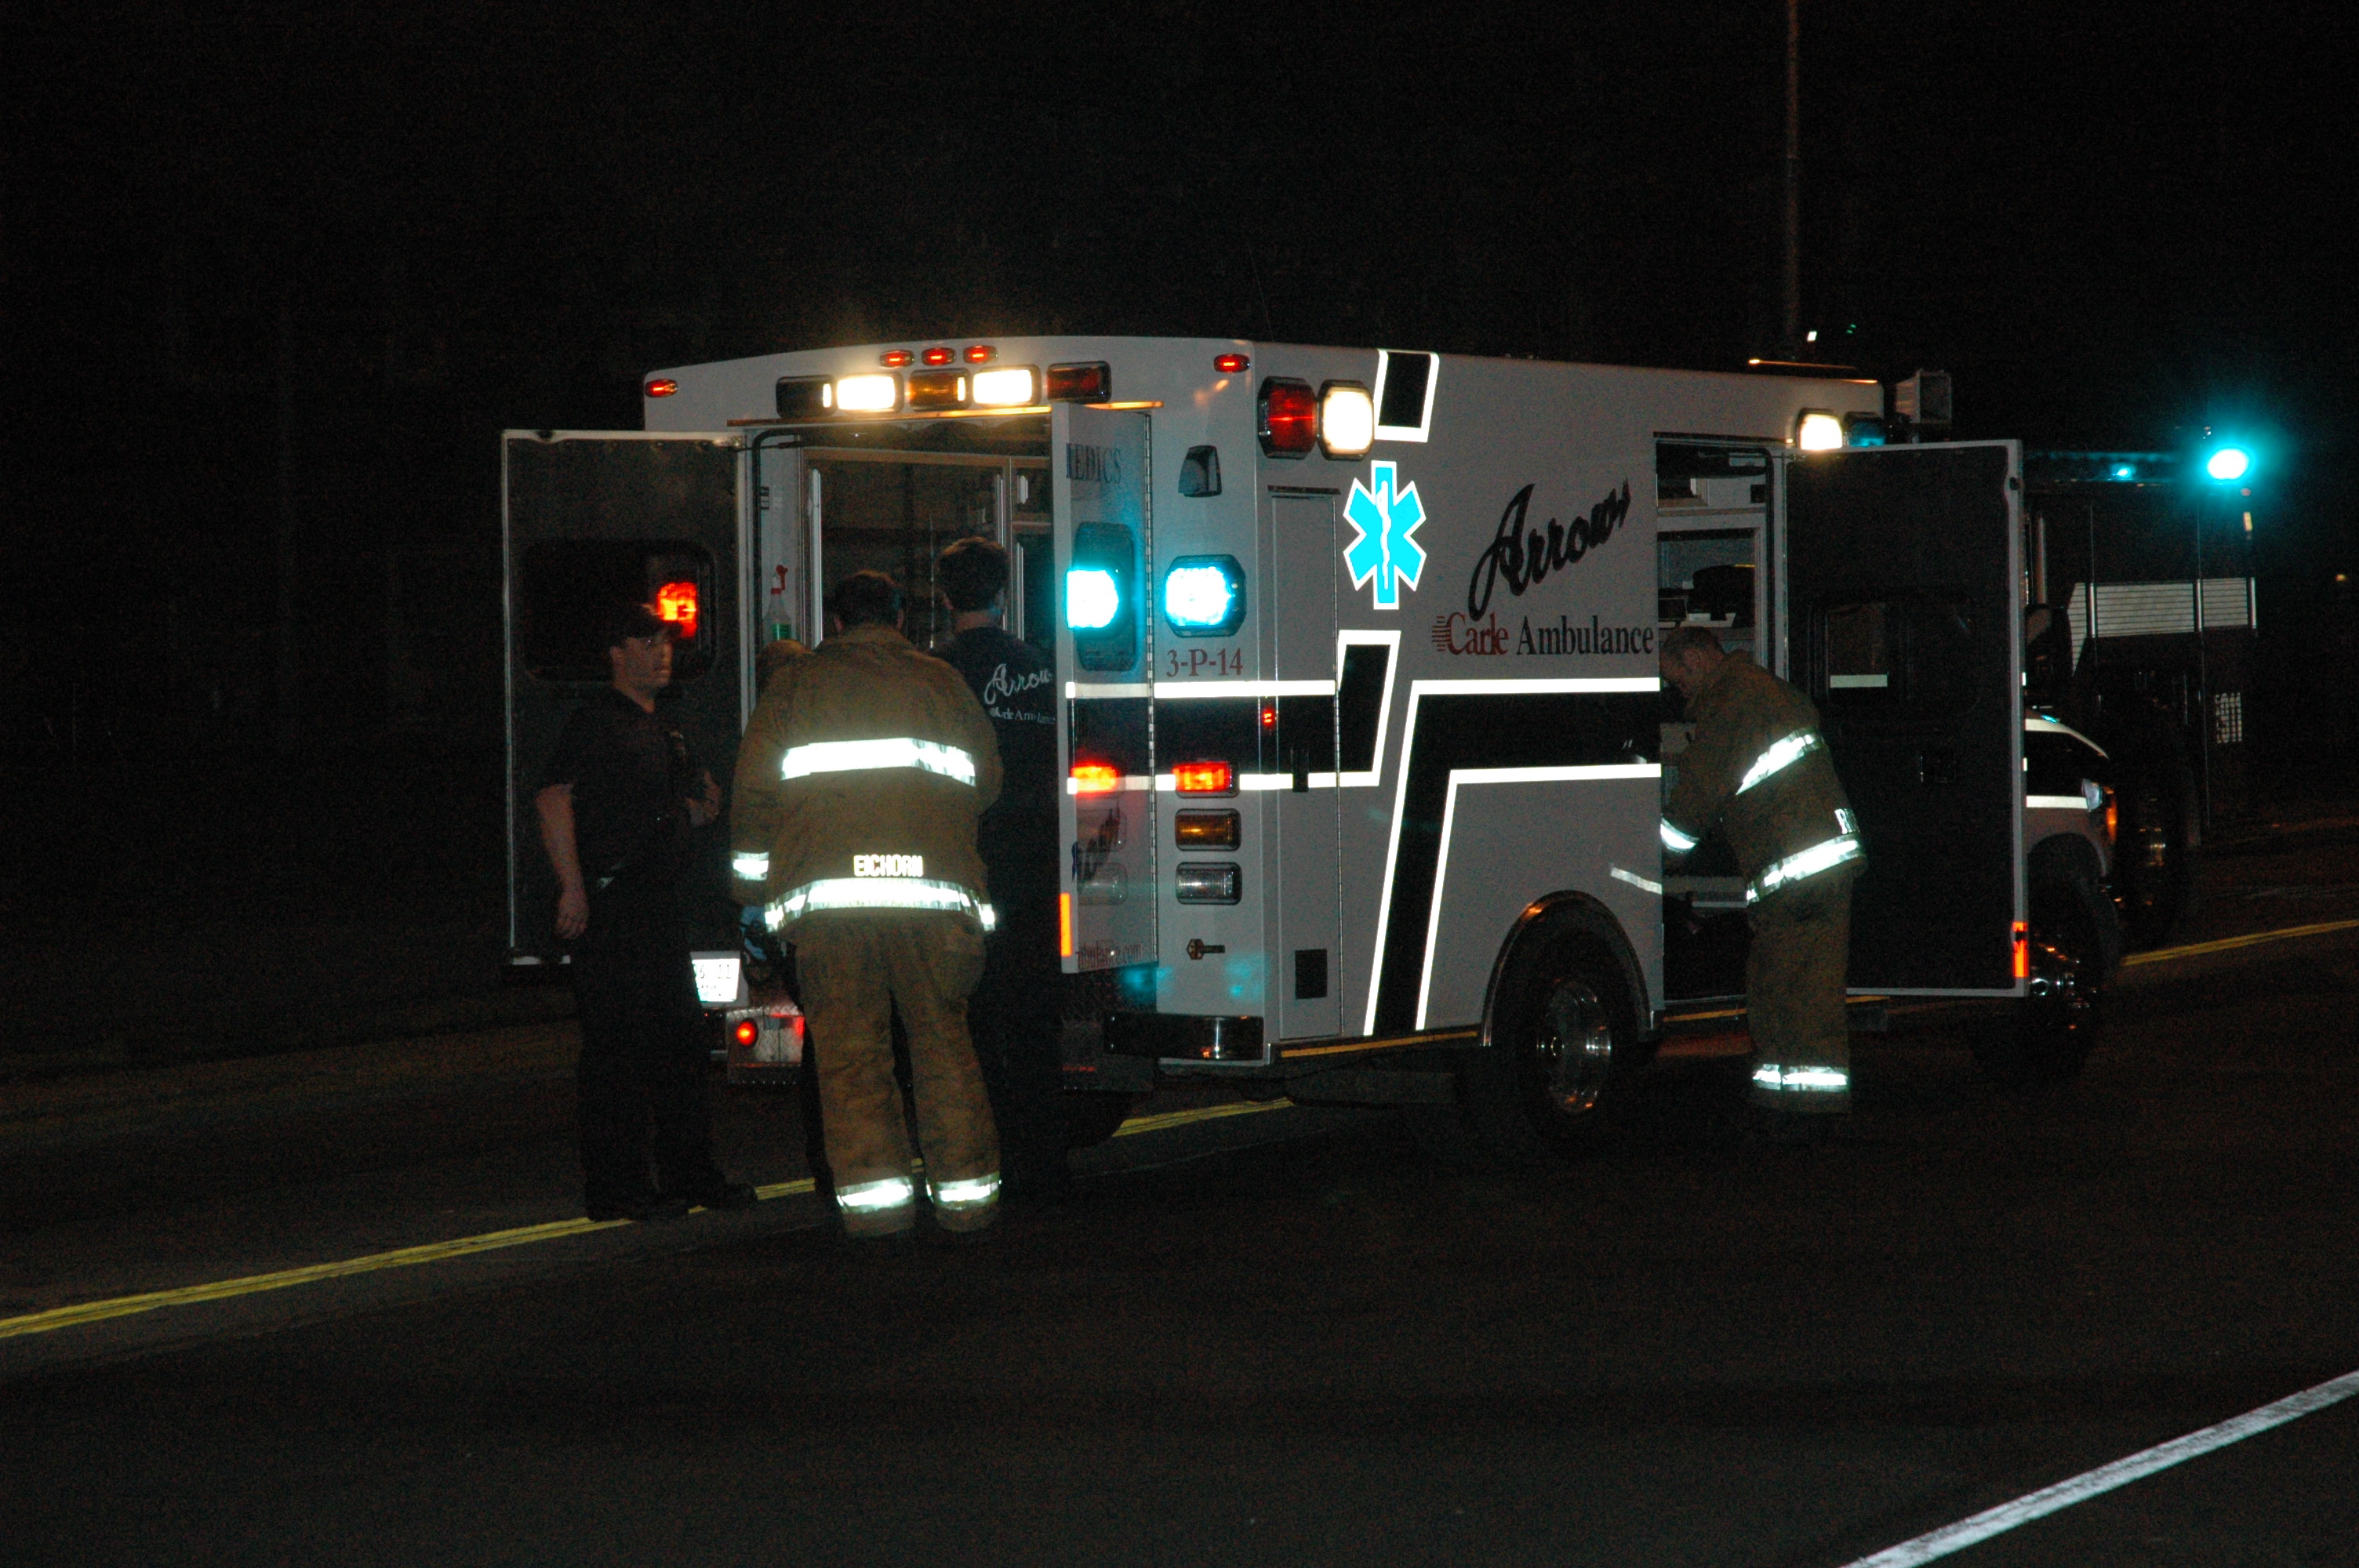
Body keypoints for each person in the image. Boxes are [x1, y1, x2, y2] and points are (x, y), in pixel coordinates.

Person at [729, 570, 1005, 1240]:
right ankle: (967, 1203)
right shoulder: (943, 683)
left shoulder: (795, 687)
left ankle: (878, 1217)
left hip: (832, 910)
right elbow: (988, 784)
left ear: (834, 620)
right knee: (944, 1045)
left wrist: (752, 893)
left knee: (851, 1058)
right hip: (933, 905)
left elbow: (755, 796)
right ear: (900, 617)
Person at [535, 604, 758, 1222]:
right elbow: (553, 799)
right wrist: (572, 888)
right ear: (616, 654)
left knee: (682, 1045)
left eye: (666, 642)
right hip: (613, 906)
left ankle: (691, 1175)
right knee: (618, 1052)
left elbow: (683, 803)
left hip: (658, 905)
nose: (662, 653)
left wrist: (697, 811)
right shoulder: (596, 721)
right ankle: (618, 1188)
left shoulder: (667, 727)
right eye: (647, 642)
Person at [1658, 625, 1864, 1134]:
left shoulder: (1735, 703)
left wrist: (1652, 857)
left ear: (1696, 660)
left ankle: (1806, 1114)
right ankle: (1786, 1104)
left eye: (1678, 679)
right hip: (1812, 865)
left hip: (1799, 869)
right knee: (1789, 986)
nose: (1679, 691)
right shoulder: (1760, 690)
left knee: (1795, 990)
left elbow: (1699, 791)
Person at [932, 536, 1069, 1203]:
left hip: (966, 862)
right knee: (1036, 1022)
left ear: (943, 596)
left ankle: (986, 1156)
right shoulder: (1041, 668)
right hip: (1038, 865)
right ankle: (1043, 1163)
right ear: (1003, 593)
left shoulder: (935, 673)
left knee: (975, 1023)